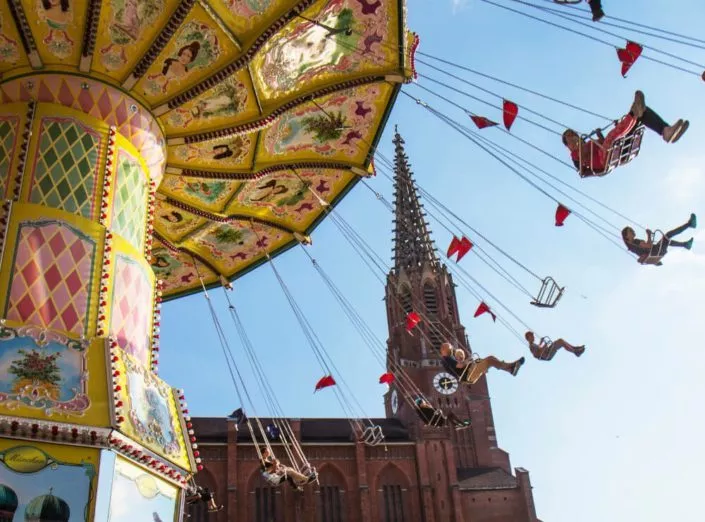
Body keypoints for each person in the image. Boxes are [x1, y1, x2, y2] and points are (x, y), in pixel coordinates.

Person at [562, 91, 689, 177]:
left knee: (641, 115)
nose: (573, 135)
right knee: (617, 132)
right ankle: (633, 113)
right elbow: (583, 166)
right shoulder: (574, 155)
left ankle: (665, 131)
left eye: (573, 133)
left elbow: (605, 143)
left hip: (615, 150)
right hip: (605, 160)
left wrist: (600, 135)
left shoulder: (590, 142)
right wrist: (579, 145)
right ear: (567, 145)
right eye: (570, 136)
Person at [622, 214, 696, 264]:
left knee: (667, 240)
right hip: (656, 251)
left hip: (656, 253)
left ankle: (686, 244)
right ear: (627, 237)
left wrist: (654, 261)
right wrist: (649, 235)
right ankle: (690, 224)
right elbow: (649, 246)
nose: (633, 231)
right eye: (630, 231)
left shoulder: (632, 247)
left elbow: (643, 252)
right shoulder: (635, 242)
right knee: (668, 235)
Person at [439, 343, 524, 384]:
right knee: (489, 360)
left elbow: (459, 365)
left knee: (491, 358)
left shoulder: (449, 358)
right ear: (444, 349)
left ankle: (510, 370)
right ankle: (510, 367)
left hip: (469, 373)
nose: (452, 348)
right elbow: (460, 365)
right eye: (450, 347)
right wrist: (467, 360)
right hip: (468, 374)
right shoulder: (446, 359)